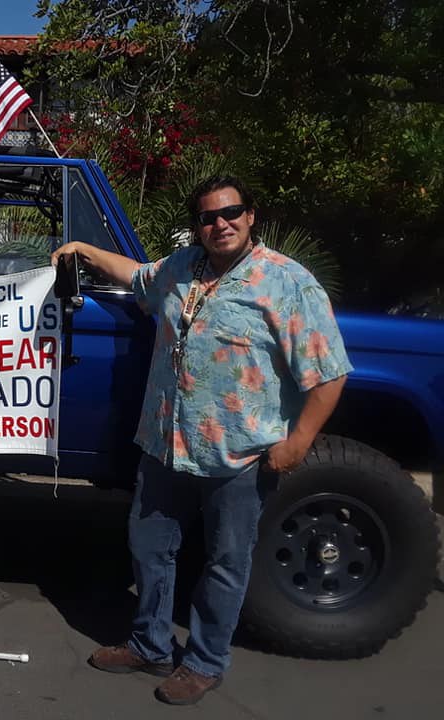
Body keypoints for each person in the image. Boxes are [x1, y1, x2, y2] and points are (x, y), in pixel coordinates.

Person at [51, 175, 351, 705]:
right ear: (198, 226)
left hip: (238, 455)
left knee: (225, 562)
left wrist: (299, 441)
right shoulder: (180, 268)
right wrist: (83, 250)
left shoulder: (288, 283)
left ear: (251, 215)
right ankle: (149, 644)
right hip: (165, 445)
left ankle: (206, 662)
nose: (221, 224)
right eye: (209, 217)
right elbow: (136, 275)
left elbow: (328, 373)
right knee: (149, 549)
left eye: (230, 212)